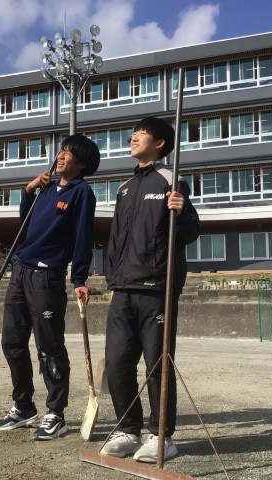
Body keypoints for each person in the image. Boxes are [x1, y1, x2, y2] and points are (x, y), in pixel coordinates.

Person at [100, 117, 200, 463]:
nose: (133, 138)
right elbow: (115, 239)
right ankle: (128, 430)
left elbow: (190, 231)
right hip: (122, 288)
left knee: (157, 365)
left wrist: (181, 212)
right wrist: (112, 281)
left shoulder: (172, 179)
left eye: (140, 134)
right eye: (132, 134)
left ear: (159, 143)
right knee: (116, 363)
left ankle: (161, 436)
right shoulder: (125, 188)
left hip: (157, 287)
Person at [0, 134, 100, 441]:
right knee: (12, 342)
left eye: (68, 153)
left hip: (47, 277)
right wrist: (28, 191)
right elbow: (26, 225)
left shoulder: (82, 193)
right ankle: (23, 406)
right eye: (60, 151)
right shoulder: (46, 188)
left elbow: (82, 237)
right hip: (20, 271)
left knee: (49, 348)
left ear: (82, 163)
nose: (60, 156)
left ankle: (56, 413)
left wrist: (79, 278)